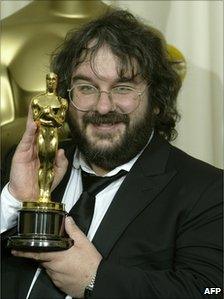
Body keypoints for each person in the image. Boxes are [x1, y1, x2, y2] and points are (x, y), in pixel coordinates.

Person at [1, 8, 222, 299]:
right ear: (66, 97)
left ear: (156, 101)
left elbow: (210, 291)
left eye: (123, 87)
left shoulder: (208, 191)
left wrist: (97, 280)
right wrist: (13, 201)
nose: (103, 107)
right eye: (86, 87)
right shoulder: (28, 165)